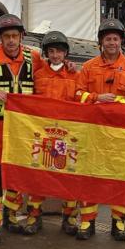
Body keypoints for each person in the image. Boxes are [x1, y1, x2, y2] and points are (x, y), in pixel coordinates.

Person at [0, 13, 45, 244]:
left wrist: (69, 67)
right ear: (0, 38)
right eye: (6, 37)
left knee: (17, 174)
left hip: (23, 130)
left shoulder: (34, 58)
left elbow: (49, 78)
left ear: (22, 36)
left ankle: (11, 215)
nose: (11, 40)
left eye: (15, 36)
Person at [74, 18, 125, 241]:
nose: (112, 42)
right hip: (93, 133)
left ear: (121, 41)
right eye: (107, 39)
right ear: (101, 42)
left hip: (120, 133)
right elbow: (77, 94)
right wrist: (96, 98)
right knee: (89, 177)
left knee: (121, 178)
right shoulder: (88, 67)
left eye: (115, 38)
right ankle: (87, 221)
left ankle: (119, 222)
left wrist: (115, 104)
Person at [33, 30, 79, 236]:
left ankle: (69, 218)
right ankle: (34, 216)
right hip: (41, 134)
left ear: (66, 53)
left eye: (59, 51)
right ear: (46, 53)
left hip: (65, 136)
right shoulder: (38, 74)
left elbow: (80, 101)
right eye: (51, 51)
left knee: (66, 177)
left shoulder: (74, 75)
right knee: (38, 176)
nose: (55, 55)